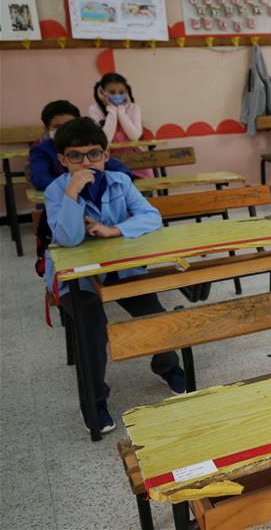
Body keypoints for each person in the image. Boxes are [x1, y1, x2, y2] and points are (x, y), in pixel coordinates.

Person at [44, 118, 185, 433]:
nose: (86, 162)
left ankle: (168, 368)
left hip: (120, 268)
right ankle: (94, 404)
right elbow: (66, 238)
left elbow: (151, 217)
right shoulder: (57, 192)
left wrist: (115, 229)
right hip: (75, 277)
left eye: (93, 154)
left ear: (105, 155)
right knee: (92, 331)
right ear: (63, 160)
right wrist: (72, 193)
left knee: (153, 316)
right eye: (76, 156)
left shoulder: (121, 181)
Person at [29, 100, 132, 191]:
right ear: (46, 129)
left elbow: (123, 172)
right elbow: (40, 179)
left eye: (69, 124)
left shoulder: (89, 146)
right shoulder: (41, 150)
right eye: (57, 127)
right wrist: (75, 185)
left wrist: (95, 184)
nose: (65, 130)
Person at [88, 72, 151, 178]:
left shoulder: (133, 108)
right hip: (109, 161)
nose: (117, 95)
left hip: (135, 160)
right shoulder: (94, 109)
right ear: (102, 92)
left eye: (121, 92)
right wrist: (112, 111)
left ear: (126, 92)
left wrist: (121, 112)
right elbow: (105, 139)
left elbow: (134, 136)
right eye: (112, 92)